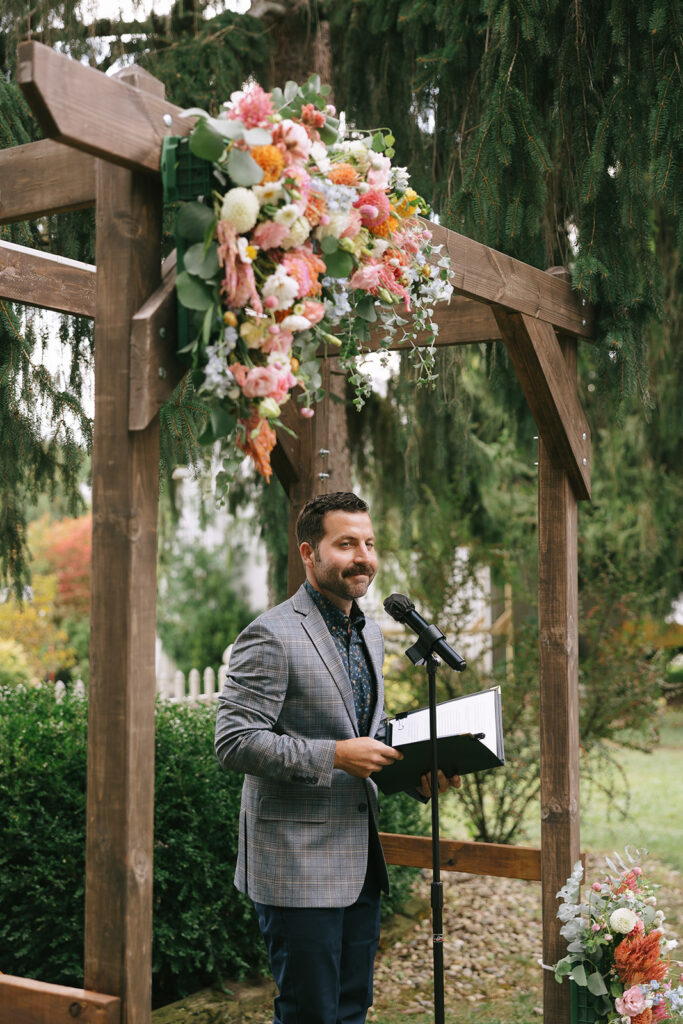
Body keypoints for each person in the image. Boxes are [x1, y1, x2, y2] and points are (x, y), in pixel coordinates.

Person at [215, 491, 460, 1024]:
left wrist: (415, 776)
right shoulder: (272, 634)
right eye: (346, 543)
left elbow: (364, 738)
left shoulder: (368, 630)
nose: (363, 557)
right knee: (310, 1015)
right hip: (296, 865)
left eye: (369, 543)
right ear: (310, 553)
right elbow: (233, 741)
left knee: (352, 1010)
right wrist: (333, 756)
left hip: (360, 863)